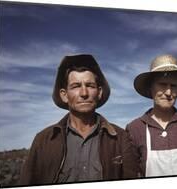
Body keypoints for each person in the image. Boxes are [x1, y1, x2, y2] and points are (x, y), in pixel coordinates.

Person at [20, 54, 140, 186]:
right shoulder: (43, 140)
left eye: (90, 85)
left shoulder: (120, 138)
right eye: (76, 86)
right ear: (64, 95)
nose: (84, 93)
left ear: (99, 92)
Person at [126, 54, 177, 177]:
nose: (168, 92)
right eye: (162, 84)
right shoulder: (134, 128)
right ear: (151, 87)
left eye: (173, 86)